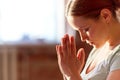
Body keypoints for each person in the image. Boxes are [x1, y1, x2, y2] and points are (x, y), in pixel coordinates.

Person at [56, 0, 120, 80]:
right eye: (78, 31)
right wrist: (71, 73)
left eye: (86, 29)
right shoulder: (98, 50)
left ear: (105, 16)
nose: (83, 38)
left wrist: (72, 74)